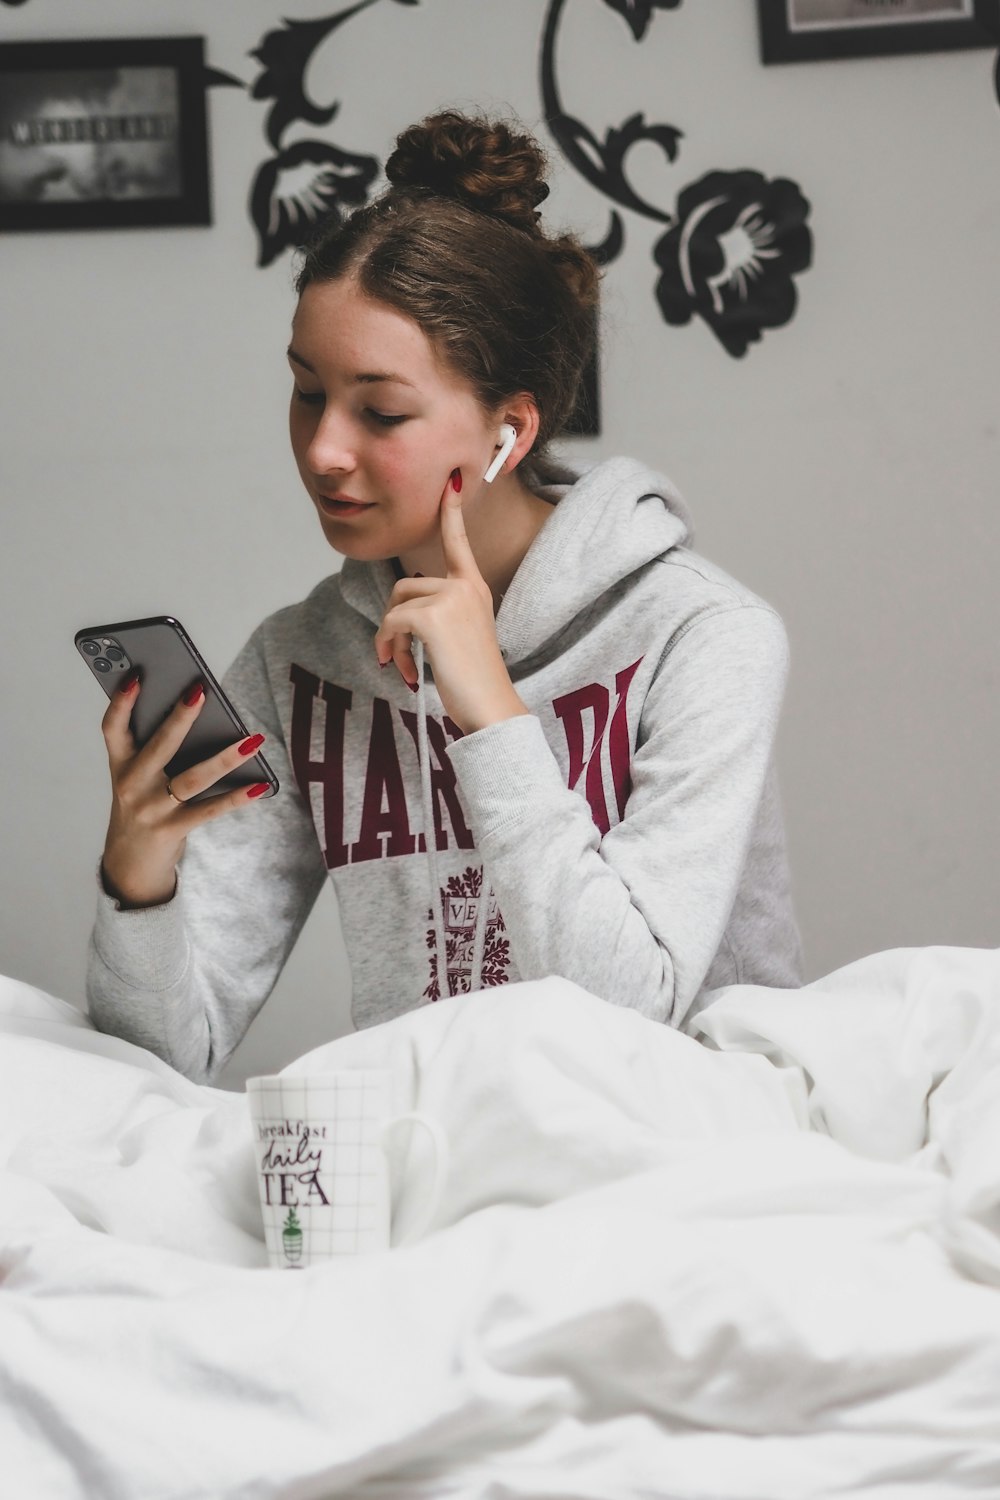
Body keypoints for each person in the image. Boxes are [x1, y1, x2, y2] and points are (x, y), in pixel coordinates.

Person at [87, 111, 802, 1084]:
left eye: (379, 411)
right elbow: (165, 1055)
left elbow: (634, 1016)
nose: (323, 449)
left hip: (675, 1163)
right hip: (435, 1163)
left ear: (508, 434)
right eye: (306, 391)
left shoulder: (702, 637)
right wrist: (139, 880)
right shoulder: (296, 663)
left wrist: (491, 714)